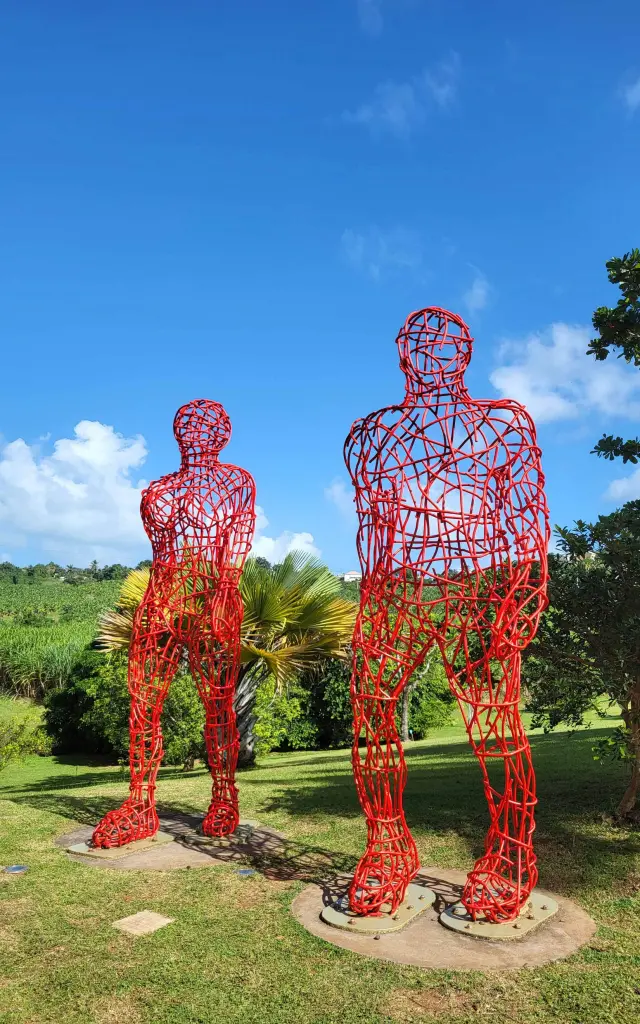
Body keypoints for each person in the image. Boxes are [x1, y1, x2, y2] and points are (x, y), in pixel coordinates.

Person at [344, 307, 549, 922]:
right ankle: (387, 846)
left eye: (448, 344)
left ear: (467, 353)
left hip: (476, 595)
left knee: (496, 731)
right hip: (395, 596)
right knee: (371, 720)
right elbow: (373, 532)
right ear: (404, 355)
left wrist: (521, 606)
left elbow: (529, 529)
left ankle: (508, 856)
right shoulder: (370, 435)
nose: (435, 354)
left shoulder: (503, 424)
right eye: (422, 345)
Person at [92, 399, 256, 847]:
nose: (199, 434)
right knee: (143, 706)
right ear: (177, 434)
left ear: (224, 435)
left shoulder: (236, 482)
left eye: (210, 427)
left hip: (213, 604)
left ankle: (224, 797)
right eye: (190, 426)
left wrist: (222, 601)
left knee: (218, 707)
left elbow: (235, 550)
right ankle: (140, 804)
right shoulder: (157, 490)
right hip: (160, 603)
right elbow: (162, 553)